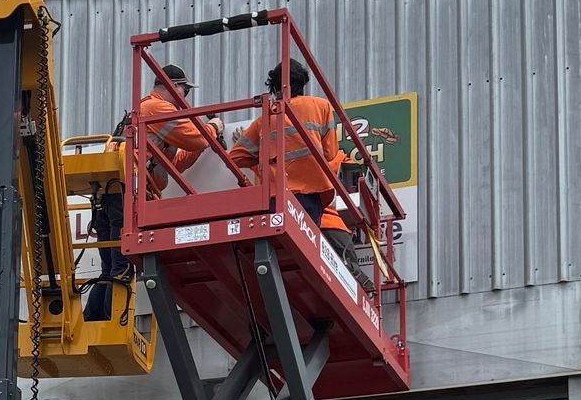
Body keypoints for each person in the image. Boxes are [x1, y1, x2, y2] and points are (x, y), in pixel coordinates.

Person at [84, 61, 220, 322]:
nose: (185, 100)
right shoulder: (157, 108)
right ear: (174, 87)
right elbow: (198, 137)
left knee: (111, 266)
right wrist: (214, 129)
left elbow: (175, 161)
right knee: (121, 265)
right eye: (185, 92)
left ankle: (95, 321)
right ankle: (111, 323)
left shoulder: (145, 115)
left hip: (110, 194)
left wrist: (204, 142)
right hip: (126, 193)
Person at [231, 58, 376, 290]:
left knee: (280, 257)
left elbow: (236, 157)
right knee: (309, 256)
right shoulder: (320, 106)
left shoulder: (265, 118)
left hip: (277, 198)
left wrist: (264, 161)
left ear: (274, 86)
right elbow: (330, 153)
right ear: (303, 83)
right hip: (310, 196)